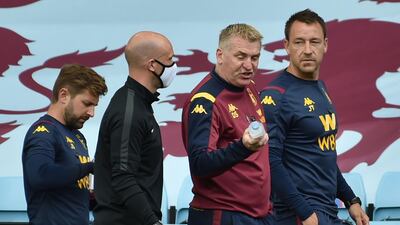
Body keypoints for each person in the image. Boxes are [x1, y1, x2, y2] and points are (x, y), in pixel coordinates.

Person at [260, 9, 370, 225]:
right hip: (296, 216)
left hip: (327, 211)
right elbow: (269, 162)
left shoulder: (320, 87)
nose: (308, 50)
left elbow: (323, 154)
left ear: (325, 45)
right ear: (286, 46)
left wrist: (350, 199)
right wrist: (304, 212)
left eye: (314, 42)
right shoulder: (275, 95)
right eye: (299, 42)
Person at [181, 23, 273, 225]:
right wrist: (243, 147)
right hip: (223, 214)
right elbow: (200, 164)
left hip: (259, 213)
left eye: (254, 57)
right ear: (220, 55)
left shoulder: (249, 88)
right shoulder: (205, 101)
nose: (249, 65)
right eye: (241, 57)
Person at [93, 31, 177, 225]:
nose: (174, 66)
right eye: (170, 60)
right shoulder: (128, 111)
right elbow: (123, 177)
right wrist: (153, 222)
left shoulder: (139, 104)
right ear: (152, 65)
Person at [22, 64, 108, 225]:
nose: (92, 113)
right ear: (63, 95)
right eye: (86, 103)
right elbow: (40, 176)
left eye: (94, 106)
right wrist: (90, 167)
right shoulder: (43, 132)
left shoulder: (79, 137)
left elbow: (73, 195)